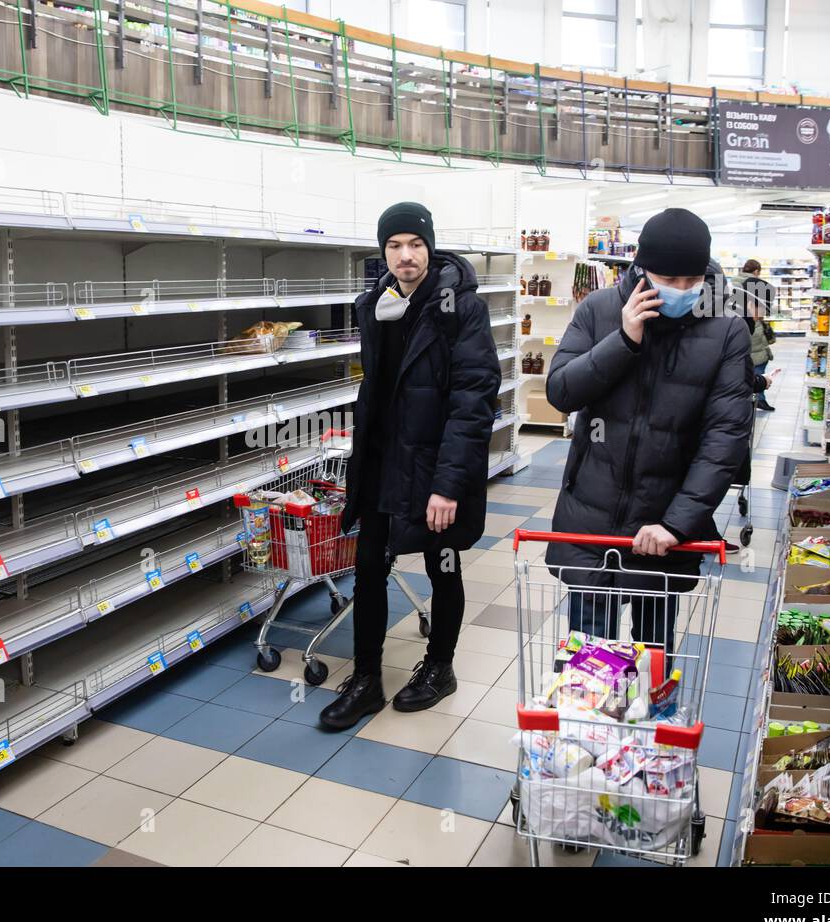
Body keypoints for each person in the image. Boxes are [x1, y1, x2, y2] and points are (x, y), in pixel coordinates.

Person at [320, 201, 501, 731]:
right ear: (383, 253)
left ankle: (439, 667)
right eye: (394, 245)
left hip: (435, 465)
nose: (406, 255)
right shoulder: (373, 305)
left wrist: (447, 485)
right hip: (382, 463)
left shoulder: (460, 307)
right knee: (368, 569)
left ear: (430, 248)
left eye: (415, 244)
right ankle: (366, 678)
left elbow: (474, 400)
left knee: (442, 566)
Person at [545, 208, 753, 653]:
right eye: (667, 279)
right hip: (590, 522)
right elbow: (561, 392)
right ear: (641, 268)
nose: (679, 291)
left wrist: (676, 525)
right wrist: (623, 340)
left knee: (653, 658)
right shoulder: (600, 310)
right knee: (588, 662)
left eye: (690, 280)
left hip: (663, 529)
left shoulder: (727, 329)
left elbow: (725, 438)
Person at [739, 259, 777, 411]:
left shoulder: (742, 322)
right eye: (763, 307)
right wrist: (760, 382)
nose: (764, 313)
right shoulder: (738, 330)